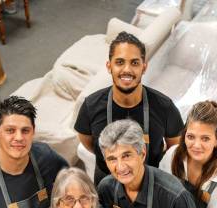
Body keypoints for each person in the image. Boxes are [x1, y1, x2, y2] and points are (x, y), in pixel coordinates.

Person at [74, 31, 184, 184]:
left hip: (150, 184)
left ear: (144, 67)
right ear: (109, 66)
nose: (127, 69)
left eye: (134, 63)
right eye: (119, 62)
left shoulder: (164, 107)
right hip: (107, 183)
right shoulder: (90, 106)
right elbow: (88, 142)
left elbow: (174, 150)